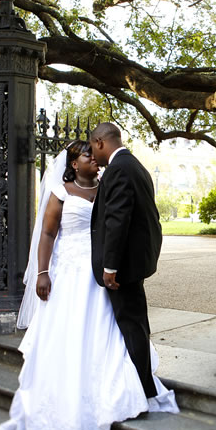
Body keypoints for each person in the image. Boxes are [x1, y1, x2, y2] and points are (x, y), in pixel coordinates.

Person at [0, 139, 178, 430]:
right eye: (86, 156)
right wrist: (42, 273)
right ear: (73, 164)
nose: (94, 159)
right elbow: (48, 234)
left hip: (102, 273)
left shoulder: (107, 184)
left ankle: (117, 391)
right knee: (71, 332)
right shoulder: (61, 193)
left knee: (109, 330)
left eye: (94, 154)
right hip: (69, 273)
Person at [90, 123, 163, 399]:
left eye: (92, 148)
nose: (93, 156)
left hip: (125, 266)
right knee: (138, 322)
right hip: (137, 260)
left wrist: (110, 267)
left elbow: (117, 220)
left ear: (100, 142)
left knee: (131, 325)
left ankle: (143, 389)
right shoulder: (135, 165)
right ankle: (145, 384)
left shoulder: (118, 168)